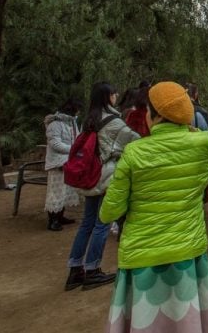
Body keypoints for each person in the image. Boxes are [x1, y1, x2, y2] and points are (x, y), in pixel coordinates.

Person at [100, 81, 208, 333]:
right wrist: (191, 132)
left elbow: (109, 213)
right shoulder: (205, 143)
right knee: (187, 321)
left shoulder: (134, 153)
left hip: (143, 256)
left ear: (155, 116)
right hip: (188, 254)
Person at [65, 82, 139, 291]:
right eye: (113, 93)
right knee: (102, 222)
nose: (116, 95)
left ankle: (75, 267)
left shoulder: (89, 120)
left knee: (87, 222)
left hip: (89, 175)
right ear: (108, 97)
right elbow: (135, 140)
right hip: (105, 176)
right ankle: (93, 269)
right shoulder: (114, 122)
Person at [44, 97, 81, 231]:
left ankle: (60, 216)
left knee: (65, 191)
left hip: (68, 161)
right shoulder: (55, 124)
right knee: (56, 191)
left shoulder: (72, 123)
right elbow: (55, 144)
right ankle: (52, 219)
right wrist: (73, 149)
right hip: (57, 163)